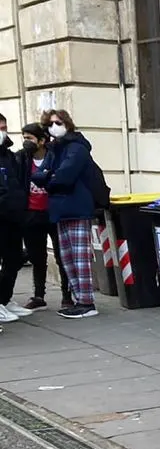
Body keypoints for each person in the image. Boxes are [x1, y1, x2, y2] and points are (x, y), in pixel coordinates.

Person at [30, 109, 100, 319]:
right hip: (60, 209)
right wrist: (50, 176)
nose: (54, 127)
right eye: (50, 124)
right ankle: (79, 299)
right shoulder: (55, 149)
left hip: (77, 207)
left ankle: (87, 301)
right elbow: (39, 176)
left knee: (79, 258)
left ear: (67, 123)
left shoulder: (76, 148)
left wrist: (49, 177)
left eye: (58, 122)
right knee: (67, 258)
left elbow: (64, 176)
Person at [17, 124, 65, 311]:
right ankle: (39, 295)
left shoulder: (54, 157)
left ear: (42, 140)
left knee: (61, 256)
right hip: (31, 214)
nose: (26, 141)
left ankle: (67, 295)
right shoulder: (22, 159)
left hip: (53, 212)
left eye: (29, 138)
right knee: (37, 257)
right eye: (24, 137)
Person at [0, 112, 33, 326]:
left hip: (13, 215)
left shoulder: (8, 155)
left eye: (4, 127)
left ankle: (4, 298)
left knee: (14, 258)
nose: (2, 131)